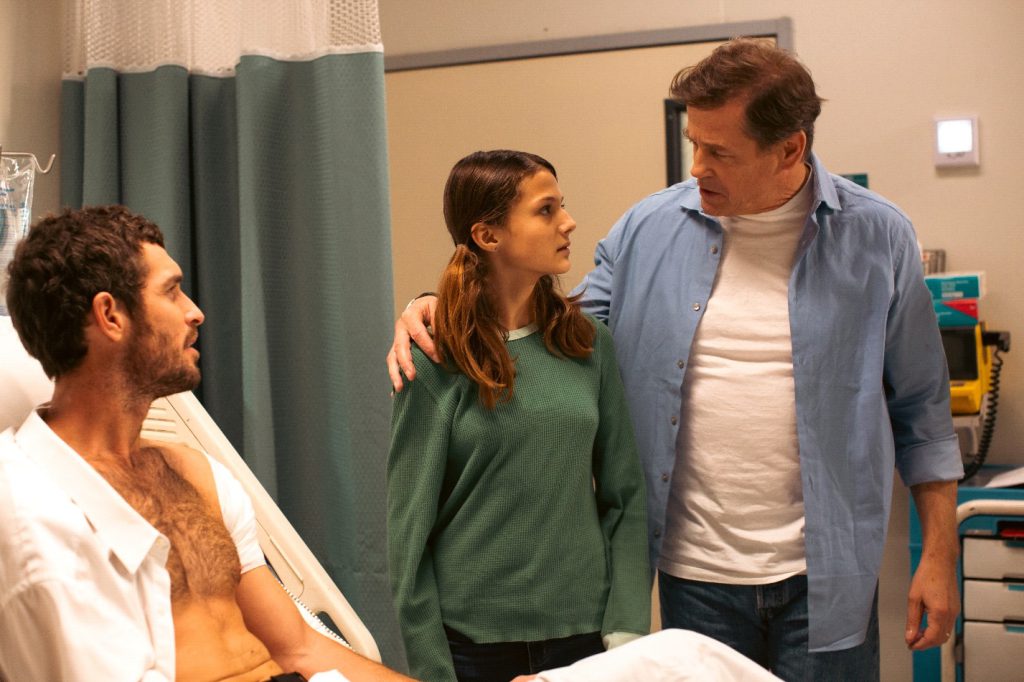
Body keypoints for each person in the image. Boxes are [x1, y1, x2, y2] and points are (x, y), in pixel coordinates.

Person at [387, 40, 963, 681]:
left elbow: (924, 413)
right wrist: (435, 303)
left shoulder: (878, 237)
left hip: (827, 577)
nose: (697, 167)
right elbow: (546, 329)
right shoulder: (647, 230)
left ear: (789, 149)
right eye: (694, 143)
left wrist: (940, 556)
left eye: (720, 152)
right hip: (695, 580)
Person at [0, 206, 411, 681]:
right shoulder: (29, 507)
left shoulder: (195, 475)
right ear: (110, 315)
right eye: (171, 291)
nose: (195, 312)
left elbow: (299, 647)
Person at [387, 150, 650, 682]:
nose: (568, 222)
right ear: (488, 235)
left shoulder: (588, 345)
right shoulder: (433, 358)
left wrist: (626, 632)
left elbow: (625, 498)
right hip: (473, 649)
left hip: (586, 639)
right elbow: (409, 533)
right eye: (546, 210)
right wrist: (433, 669)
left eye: (562, 206)